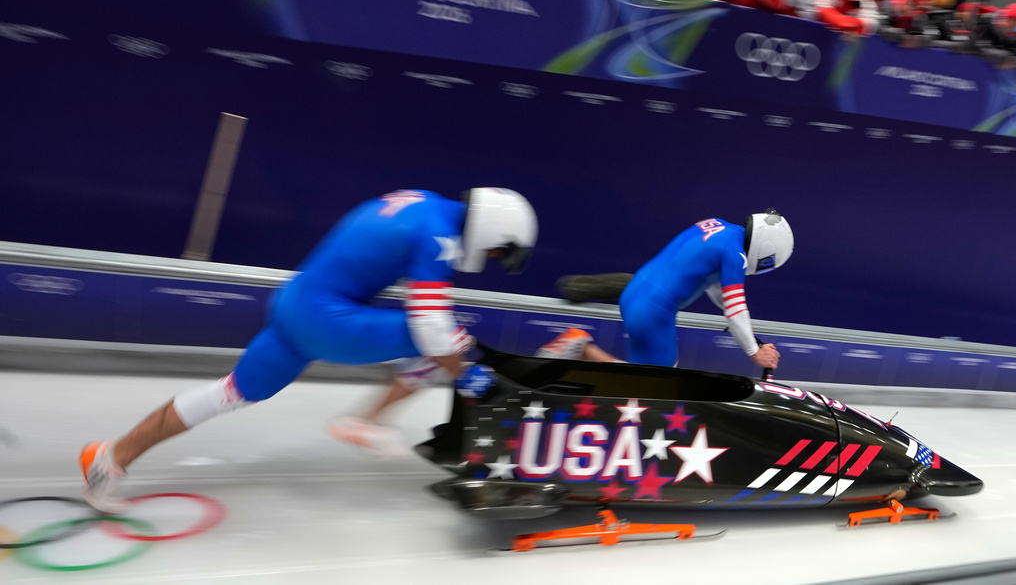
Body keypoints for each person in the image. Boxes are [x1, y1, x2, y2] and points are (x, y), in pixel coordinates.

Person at [79, 188, 537, 511]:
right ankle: (364, 421)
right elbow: (431, 324)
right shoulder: (438, 235)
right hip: (327, 319)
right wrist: (464, 373)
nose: (493, 259)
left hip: (294, 304)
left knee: (230, 393)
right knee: (444, 338)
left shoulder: (422, 203)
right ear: (494, 230)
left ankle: (110, 458)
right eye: (500, 252)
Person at [542, 209, 793, 371]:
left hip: (635, 292)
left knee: (644, 380)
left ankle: (581, 347)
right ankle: (580, 345)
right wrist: (754, 352)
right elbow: (736, 310)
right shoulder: (735, 255)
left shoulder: (718, 226)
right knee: (649, 390)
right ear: (765, 249)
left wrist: (751, 338)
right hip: (653, 313)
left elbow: (719, 293)